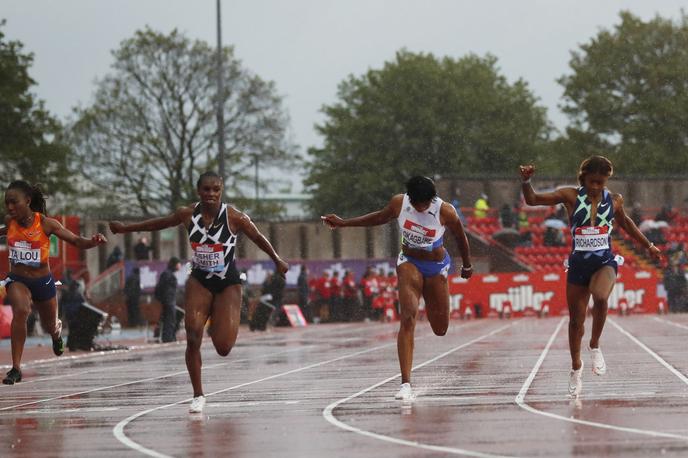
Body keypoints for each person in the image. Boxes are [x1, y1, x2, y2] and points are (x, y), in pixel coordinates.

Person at [109, 171, 288, 413]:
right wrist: (125, 229)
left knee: (223, 347)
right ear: (198, 191)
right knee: (193, 335)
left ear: (221, 191)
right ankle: (198, 395)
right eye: (206, 189)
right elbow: (158, 223)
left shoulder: (235, 217)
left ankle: (219, 317)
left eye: (216, 189)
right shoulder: (187, 214)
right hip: (200, 279)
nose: (211, 194)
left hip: (227, 282)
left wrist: (277, 260)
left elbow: (258, 237)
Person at [519, 156, 662, 397]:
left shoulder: (614, 200)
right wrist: (526, 181)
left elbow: (625, 223)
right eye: (592, 182)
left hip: (604, 260)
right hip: (578, 264)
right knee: (576, 322)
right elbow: (532, 200)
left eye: (601, 182)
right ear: (583, 178)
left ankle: (595, 345)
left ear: (607, 180)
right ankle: (576, 368)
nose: (596, 187)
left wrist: (648, 245)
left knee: (601, 296)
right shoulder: (570, 196)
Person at [322, 175, 472, 400]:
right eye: (418, 204)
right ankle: (405, 384)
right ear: (410, 199)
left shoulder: (446, 211)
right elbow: (379, 217)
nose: (422, 208)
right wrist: (345, 222)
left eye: (426, 204)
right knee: (408, 316)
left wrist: (467, 264)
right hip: (409, 262)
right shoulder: (399, 203)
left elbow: (461, 237)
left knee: (440, 328)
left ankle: (433, 303)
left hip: (436, 265)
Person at [1, 180, 107, 384]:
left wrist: (93, 242)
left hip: (42, 282)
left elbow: (76, 241)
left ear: (28, 201)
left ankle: (56, 335)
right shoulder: (10, 221)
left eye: (14, 202)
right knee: (21, 310)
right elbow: (3, 230)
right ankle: (16, 368)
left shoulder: (46, 224)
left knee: (50, 325)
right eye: (7, 203)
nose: (10, 207)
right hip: (18, 279)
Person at [154, 257, 181, 342]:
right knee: (170, 320)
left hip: (169, 301)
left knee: (175, 317)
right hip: (169, 302)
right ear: (175, 264)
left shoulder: (168, 274)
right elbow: (164, 289)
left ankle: (170, 336)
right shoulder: (167, 275)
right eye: (178, 264)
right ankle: (168, 338)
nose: (180, 266)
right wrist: (167, 301)